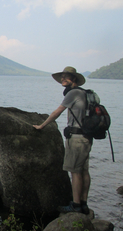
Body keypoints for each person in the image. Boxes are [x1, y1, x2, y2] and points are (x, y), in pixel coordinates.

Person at [33, 66, 92, 214]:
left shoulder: (73, 93)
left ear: (74, 79)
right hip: (86, 137)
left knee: (76, 172)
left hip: (77, 139)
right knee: (84, 170)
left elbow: (57, 112)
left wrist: (42, 125)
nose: (63, 79)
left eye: (67, 76)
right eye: (62, 76)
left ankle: (76, 205)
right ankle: (83, 204)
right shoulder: (85, 93)